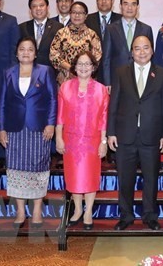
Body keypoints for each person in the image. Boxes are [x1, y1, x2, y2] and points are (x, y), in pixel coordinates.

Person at [107, 35, 163, 231]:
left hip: (151, 136)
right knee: (125, 179)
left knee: (151, 179)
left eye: (145, 48)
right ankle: (126, 216)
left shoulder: (162, 74)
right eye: (137, 48)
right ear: (131, 52)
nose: (142, 52)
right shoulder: (121, 72)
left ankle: (150, 216)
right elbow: (114, 104)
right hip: (125, 135)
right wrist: (110, 132)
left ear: (152, 50)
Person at [0, 37, 57, 228]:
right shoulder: (8, 72)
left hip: (38, 128)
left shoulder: (45, 71)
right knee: (16, 170)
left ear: (35, 53)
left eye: (30, 49)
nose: (25, 52)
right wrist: (1, 128)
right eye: (22, 49)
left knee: (38, 168)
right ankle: (21, 212)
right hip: (14, 128)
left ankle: (37, 211)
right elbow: (2, 104)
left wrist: (50, 124)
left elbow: (52, 100)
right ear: (16, 53)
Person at [56, 51, 109, 230]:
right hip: (70, 140)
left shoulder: (101, 90)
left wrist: (103, 143)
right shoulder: (65, 87)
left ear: (93, 67)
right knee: (74, 177)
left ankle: (88, 212)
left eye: (87, 64)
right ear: (74, 67)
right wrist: (58, 138)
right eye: (80, 64)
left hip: (92, 141)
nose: (84, 67)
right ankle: (78, 210)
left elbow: (104, 119)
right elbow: (60, 117)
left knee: (90, 176)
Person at [102, 0, 154, 86]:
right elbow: (106, 58)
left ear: (137, 7)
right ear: (120, 6)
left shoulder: (146, 29)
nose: (129, 8)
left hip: (140, 78)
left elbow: (150, 56)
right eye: (126, 4)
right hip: (117, 79)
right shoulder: (110, 29)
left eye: (133, 4)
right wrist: (107, 83)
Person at [50, 1, 102, 85]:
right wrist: (70, 68)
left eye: (80, 13)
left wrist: (81, 69)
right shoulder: (61, 33)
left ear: (86, 16)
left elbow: (97, 57)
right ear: (70, 14)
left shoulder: (92, 35)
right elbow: (53, 55)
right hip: (65, 79)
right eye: (74, 12)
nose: (77, 15)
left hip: (86, 78)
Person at [19, 0, 63, 68]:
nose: (38, 8)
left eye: (41, 5)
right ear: (30, 10)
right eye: (34, 6)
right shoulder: (22, 27)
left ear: (47, 7)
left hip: (51, 72)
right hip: (28, 71)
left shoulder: (58, 27)